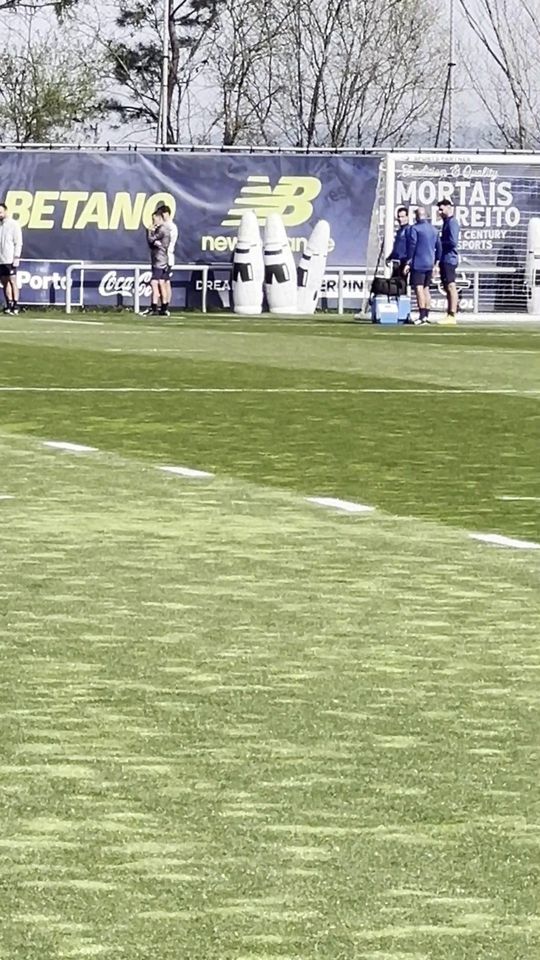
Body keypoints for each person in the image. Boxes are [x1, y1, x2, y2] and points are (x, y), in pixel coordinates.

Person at [405, 206, 441, 324]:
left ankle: (421, 316)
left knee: (419, 289)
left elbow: (412, 246)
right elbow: (439, 248)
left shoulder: (415, 229)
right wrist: (436, 263)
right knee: (426, 289)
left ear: (416, 216)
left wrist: (408, 262)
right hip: (429, 263)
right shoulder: (434, 230)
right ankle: (426, 315)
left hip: (418, 263)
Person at [142, 209, 172, 316]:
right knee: (162, 283)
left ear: (159, 218)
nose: (153, 222)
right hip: (163, 259)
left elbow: (151, 240)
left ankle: (154, 307)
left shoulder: (162, 230)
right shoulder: (165, 229)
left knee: (154, 283)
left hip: (159, 261)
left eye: (154, 219)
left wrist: (149, 231)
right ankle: (164, 307)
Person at [437, 199, 460, 324]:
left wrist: (440, 242)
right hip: (444, 258)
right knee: (447, 286)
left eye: (441, 209)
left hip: (449, 259)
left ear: (448, 208)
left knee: (451, 285)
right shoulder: (446, 222)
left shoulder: (452, 222)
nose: (439, 212)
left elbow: (453, 242)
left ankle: (452, 314)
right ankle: (449, 312)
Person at [0, 201, 22, 315]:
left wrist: (16, 257)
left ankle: (16, 304)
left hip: (10, 259)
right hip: (1, 259)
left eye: (1, 212)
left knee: (12, 281)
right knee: (4, 282)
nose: (0, 215)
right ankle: (8, 304)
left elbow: (18, 242)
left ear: (5, 211)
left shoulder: (13, 224)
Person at [155, 203, 178, 313]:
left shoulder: (169, 227)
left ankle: (164, 306)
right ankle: (164, 306)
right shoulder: (169, 226)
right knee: (165, 282)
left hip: (166, 257)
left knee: (162, 281)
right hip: (166, 256)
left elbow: (166, 242)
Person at [386, 206, 411, 279]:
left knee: (401, 284)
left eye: (402, 217)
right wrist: (390, 257)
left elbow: (411, 247)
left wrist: (408, 262)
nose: (400, 219)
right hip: (396, 262)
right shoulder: (399, 231)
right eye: (399, 217)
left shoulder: (409, 230)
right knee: (394, 283)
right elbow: (397, 246)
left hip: (404, 261)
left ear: (407, 217)